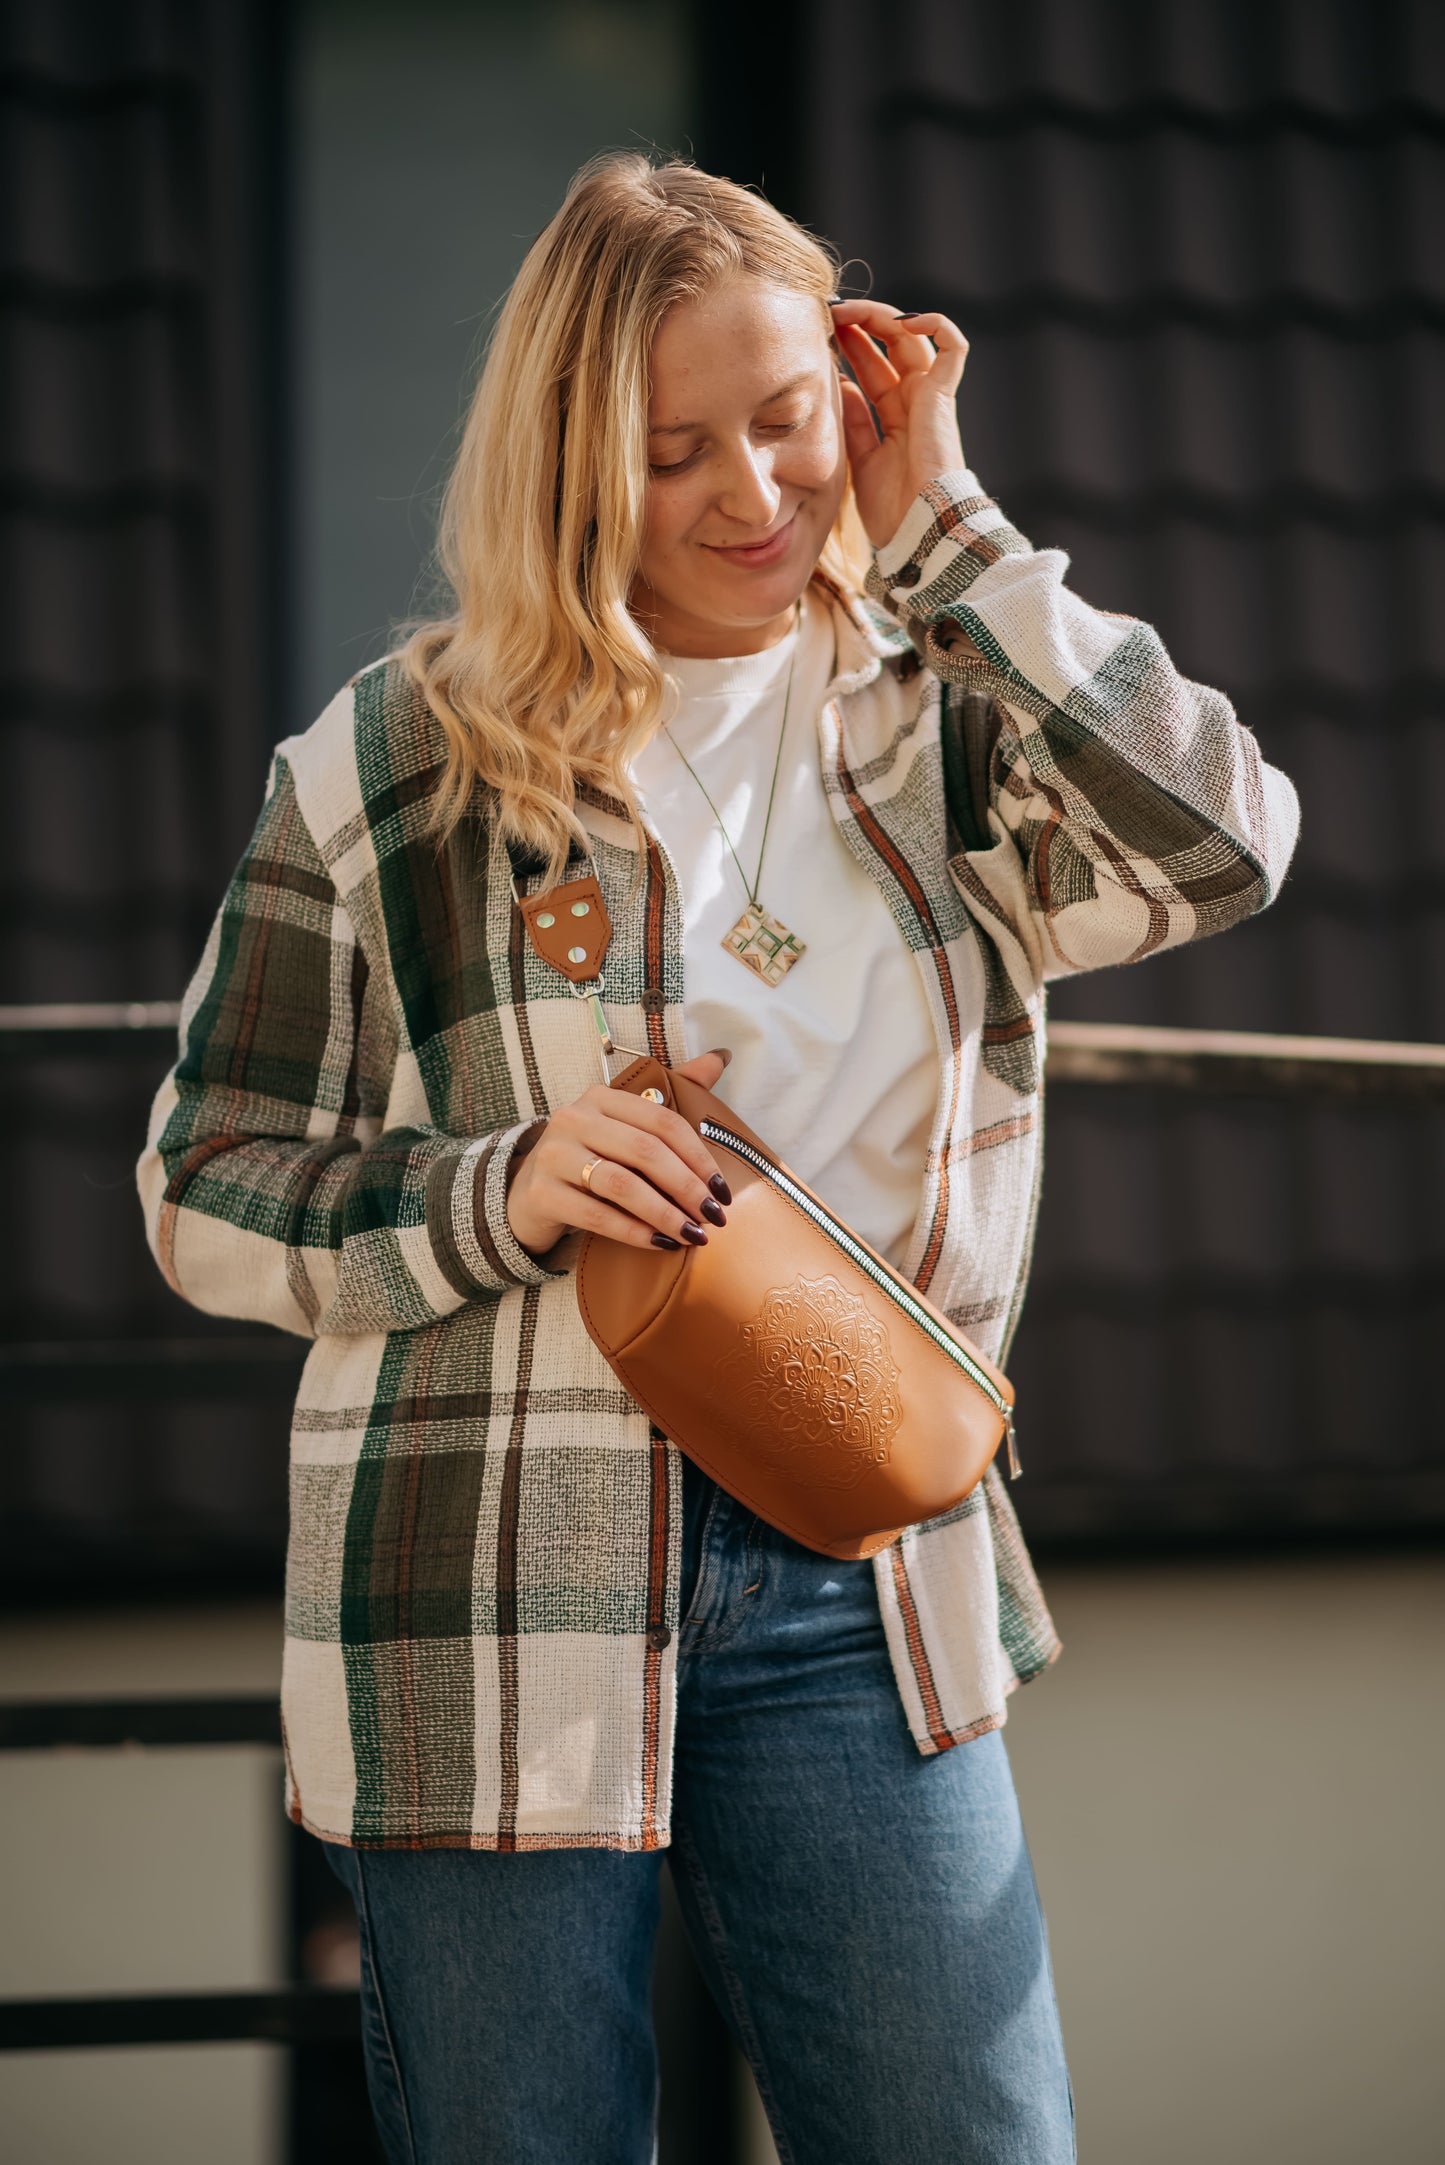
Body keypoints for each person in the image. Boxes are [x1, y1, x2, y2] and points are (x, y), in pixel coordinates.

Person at [137, 153, 1298, 2164]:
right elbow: (202, 1178)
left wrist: (947, 525)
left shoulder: (947, 720)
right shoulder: (387, 768)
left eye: (791, 422)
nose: (756, 494)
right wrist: (496, 1188)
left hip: (862, 1568)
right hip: (478, 1576)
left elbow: (1223, 843)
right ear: (570, 460)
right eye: (674, 451)